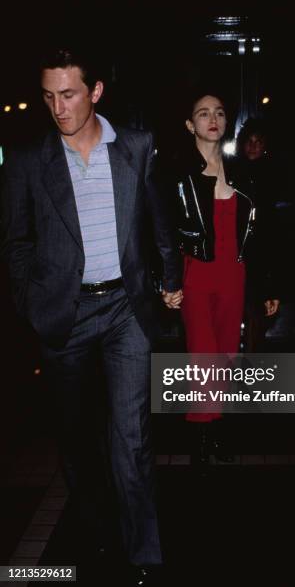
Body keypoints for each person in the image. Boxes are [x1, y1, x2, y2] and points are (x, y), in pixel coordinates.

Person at [1, 47, 182, 586]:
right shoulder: (29, 160)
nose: (58, 106)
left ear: (96, 91)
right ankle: (95, 533)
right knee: (77, 441)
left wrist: (170, 277)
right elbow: (15, 244)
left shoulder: (135, 146)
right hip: (66, 316)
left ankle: (144, 554)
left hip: (127, 309)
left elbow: (158, 218)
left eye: (70, 93)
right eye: (49, 95)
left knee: (131, 437)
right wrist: (32, 305)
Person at [171, 92, 279, 466]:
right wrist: (166, 283)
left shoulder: (243, 173)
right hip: (196, 274)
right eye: (202, 113)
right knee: (203, 355)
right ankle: (203, 437)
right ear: (190, 125)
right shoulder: (178, 175)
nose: (212, 118)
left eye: (218, 112)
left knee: (227, 355)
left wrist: (267, 286)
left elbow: (260, 236)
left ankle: (220, 431)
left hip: (234, 274)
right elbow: (161, 234)